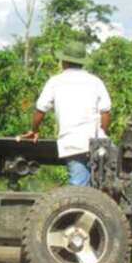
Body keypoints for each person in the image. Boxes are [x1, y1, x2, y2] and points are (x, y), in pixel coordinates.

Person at [19, 41, 111, 186]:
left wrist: (34, 130)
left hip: (73, 143)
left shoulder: (55, 82)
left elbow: (40, 110)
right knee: (103, 186)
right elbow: (105, 113)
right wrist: (101, 134)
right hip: (99, 144)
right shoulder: (96, 82)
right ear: (82, 63)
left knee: (78, 188)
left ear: (65, 62)